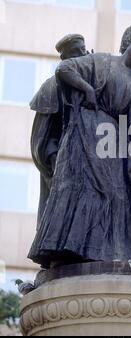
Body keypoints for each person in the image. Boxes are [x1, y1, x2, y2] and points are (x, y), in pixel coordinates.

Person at [28, 24, 131, 269]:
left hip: (113, 139)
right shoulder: (103, 61)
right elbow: (65, 69)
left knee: (115, 194)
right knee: (80, 189)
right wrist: (87, 88)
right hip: (87, 132)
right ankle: (64, 251)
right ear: (128, 39)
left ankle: (108, 252)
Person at [30, 34, 88, 230]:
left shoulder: (91, 80)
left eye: (83, 50)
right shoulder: (51, 87)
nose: (82, 55)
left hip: (87, 160)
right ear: (65, 59)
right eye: (75, 52)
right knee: (58, 217)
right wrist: (54, 158)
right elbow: (42, 136)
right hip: (60, 161)